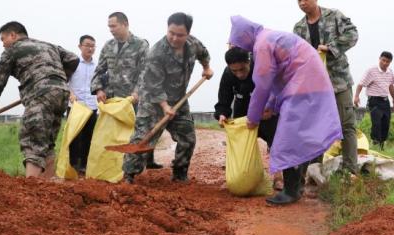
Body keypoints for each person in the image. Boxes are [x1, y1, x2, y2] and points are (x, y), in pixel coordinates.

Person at [229, 15, 342, 205]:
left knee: (286, 140)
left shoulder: (262, 44)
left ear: (244, 36)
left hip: (304, 86)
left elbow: (263, 85)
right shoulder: (268, 37)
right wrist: (270, 106)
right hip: (310, 84)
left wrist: (253, 117)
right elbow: (275, 79)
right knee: (297, 137)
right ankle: (296, 187)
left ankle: (290, 191)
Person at [0, 21, 79, 178]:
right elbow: (73, 58)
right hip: (62, 93)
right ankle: (49, 187)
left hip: (41, 94)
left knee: (33, 140)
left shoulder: (13, 49)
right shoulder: (49, 45)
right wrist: (58, 79)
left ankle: (31, 187)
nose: (3, 44)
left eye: (3, 39)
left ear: (13, 35)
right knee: (47, 141)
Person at [123, 12, 214, 183]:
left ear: (187, 34)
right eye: (171, 33)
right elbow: (153, 85)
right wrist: (165, 107)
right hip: (153, 101)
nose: (174, 38)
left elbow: (203, 54)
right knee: (143, 138)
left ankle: (179, 174)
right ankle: (129, 176)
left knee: (188, 137)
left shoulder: (193, 44)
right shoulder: (157, 52)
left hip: (179, 99)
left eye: (179, 35)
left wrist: (206, 68)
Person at [293, 0, 359, 175]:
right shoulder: (298, 28)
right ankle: (315, 170)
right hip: (314, 88)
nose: (302, 3)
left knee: (346, 126)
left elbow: (353, 34)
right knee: (316, 128)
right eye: (299, 0)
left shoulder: (334, 16)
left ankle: (350, 170)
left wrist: (330, 48)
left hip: (339, 82)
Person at [90, 12, 160, 168]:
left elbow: (145, 72)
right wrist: (98, 89)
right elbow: (99, 70)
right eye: (109, 27)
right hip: (113, 101)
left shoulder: (140, 45)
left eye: (113, 26)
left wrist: (137, 92)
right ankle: (112, 166)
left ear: (125, 24)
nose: (111, 30)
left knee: (136, 133)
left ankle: (136, 168)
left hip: (133, 100)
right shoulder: (108, 46)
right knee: (112, 135)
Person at [214, 47, 278, 148]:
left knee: (277, 142)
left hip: (264, 110)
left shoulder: (261, 68)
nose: (239, 74)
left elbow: (276, 90)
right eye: (234, 71)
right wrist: (222, 114)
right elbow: (223, 100)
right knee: (240, 145)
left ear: (248, 61)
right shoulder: (227, 74)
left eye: (242, 69)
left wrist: (272, 107)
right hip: (242, 110)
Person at [354, 51, 394, 150]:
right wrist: (356, 96)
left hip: (385, 101)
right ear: (380, 59)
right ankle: (374, 144)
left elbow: (391, 86)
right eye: (383, 60)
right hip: (374, 101)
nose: (385, 63)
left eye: (388, 61)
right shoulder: (371, 71)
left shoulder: (390, 72)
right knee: (377, 124)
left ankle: (382, 147)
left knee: (385, 124)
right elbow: (361, 84)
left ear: (390, 62)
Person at [68, 35, 98, 174]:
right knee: (75, 137)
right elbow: (64, 81)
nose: (90, 48)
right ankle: (73, 164)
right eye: (87, 45)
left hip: (92, 106)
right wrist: (70, 94)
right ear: (80, 46)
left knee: (89, 137)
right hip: (76, 107)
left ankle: (85, 165)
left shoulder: (97, 67)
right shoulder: (73, 64)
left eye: (93, 46)